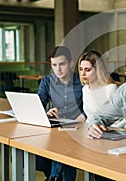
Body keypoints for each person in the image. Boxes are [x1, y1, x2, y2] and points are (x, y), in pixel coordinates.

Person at [37, 46, 86, 181]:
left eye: (62, 64)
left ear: (70, 63)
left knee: (65, 144)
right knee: (62, 144)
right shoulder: (47, 81)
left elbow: (91, 106)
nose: (58, 69)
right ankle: (55, 177)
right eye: (54, 65)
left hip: (78, 128)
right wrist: (47, 112)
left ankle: (54, 177)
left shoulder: (82, 82)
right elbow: (38, 105)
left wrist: (82, 116)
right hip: (56, 128)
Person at [78, 50, 119, 122]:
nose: (83, 73)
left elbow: (120, 118)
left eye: (87, 70)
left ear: (98, 70)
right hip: (89, 130)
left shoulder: (110, 88)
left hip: (108, 131)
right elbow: (89, 118)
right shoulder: (85, 89)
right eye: (81, 69)